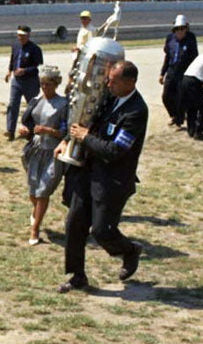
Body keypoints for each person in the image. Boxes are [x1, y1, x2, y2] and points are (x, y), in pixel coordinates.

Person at [54, 60, 148, 293]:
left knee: (102, 230)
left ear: (130, 83)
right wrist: (68, 139)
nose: (109, 84)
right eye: (108, 79)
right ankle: (77, 276)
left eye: (114, 81)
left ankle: (129, 250)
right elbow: (87, 119)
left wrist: (85, 137)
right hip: (88, 171)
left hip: (112, 179)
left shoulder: (136, 111)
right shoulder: (109, 98)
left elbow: (115, 151)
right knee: (74, 223)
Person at [17, 66, 68, 245]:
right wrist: (25, 130)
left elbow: (66, 131)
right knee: (33, 190)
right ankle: (37, 212)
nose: (44, 88)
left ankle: (35, 229)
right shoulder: (36, 100)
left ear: (56, 84)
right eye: (42, 84)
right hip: (35, 149)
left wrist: (49, 130)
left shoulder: (63, 104)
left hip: (53, 150)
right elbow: (29, 122)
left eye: (48, 84)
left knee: (43, 190)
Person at [3, 25, 43, 140]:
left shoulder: (35, 49)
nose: (21, 38)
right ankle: (10, 131)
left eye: (23, 36)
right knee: (12, 105)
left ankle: (33, 131)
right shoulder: (15, 46)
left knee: (33, 107)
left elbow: (36, 68)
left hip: (30, 82)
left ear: (28, 35)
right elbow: (13, 60)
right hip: (16, 81)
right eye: (19, 35)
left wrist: (24, 71)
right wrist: (9, 71)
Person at [159, 14, 198, 129]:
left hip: (184, 71)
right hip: (172, 70)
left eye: (182, 28)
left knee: (181, 97)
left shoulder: (191, 39)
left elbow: (194, 57)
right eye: (177, 29)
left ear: (186, 28)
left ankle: (179, 121)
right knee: (166, 96)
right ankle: (174, 115)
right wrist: (162, 73)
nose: (180, 31)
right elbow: (167, 57)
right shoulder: (170, 38)